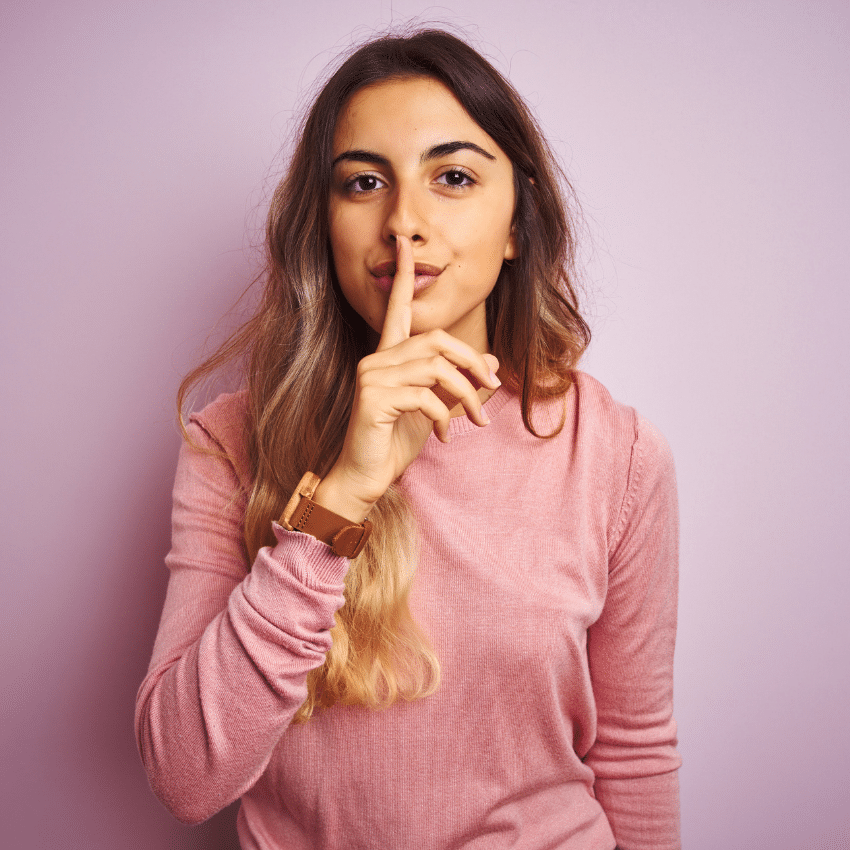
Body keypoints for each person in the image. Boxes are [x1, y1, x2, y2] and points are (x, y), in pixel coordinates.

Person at [135, 28, 681, 850]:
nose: (404, 223)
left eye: (453, 177)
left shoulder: (618, 457)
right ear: (323, 223)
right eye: (363, 183)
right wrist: (343, 500)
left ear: (515, 225)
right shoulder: (231, 442)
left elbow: (635, 755)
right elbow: (184, 778)